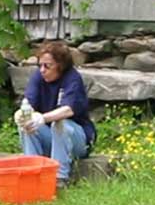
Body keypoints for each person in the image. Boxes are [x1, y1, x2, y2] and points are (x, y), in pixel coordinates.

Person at [16, 41, 96, 188]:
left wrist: (42, 118)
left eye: (48, 66)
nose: (42, 70)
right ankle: (32, 173)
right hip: (51, 138)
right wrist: (22, 115)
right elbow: (28, 102)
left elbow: (68, 110)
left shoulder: (72, 78)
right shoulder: (38, 76)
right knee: (27, 125)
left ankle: (60, 178)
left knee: (60, 123)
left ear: (61, 66)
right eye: (40, 65)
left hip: (77, 140)